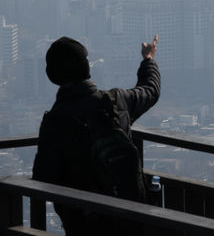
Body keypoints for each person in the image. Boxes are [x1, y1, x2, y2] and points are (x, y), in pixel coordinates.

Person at [32, 35, 160, 236]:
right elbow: (150, 90)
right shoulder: (116, 102)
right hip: (130, 216)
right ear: (87, 67)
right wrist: (148, 59)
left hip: (85, 224)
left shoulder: (56, 122)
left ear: (53, 75)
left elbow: (43, 177)